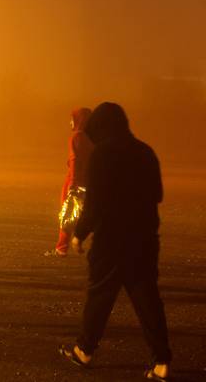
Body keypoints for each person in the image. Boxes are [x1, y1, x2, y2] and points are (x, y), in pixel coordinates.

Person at [59, 102, 171, 381]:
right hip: (144, 238)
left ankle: (84, 350)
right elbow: (157, 194)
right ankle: (162, 361)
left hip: (111, 239)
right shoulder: (146, 152)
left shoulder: (102, 155)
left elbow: (95, 202)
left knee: (99, 295)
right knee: (147, 300)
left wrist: (80, 233)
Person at [45, 108, 94, 257]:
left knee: (67, 213)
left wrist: (73, 183)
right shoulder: (94, 137)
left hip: (75, 180)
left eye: (72, 118)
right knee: (90, 213)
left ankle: (62, 247)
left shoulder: (77, 137)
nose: (70, 122)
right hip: (91, 180)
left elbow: (75, 161)